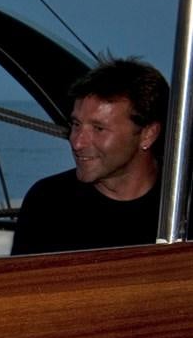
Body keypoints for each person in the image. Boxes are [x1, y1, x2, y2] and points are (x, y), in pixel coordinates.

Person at [11, 57, 169, 255]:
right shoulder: (47, 203)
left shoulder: (180, 204)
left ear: (148, 134)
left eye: (98, 128)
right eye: (76, 125)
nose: (77, 142)